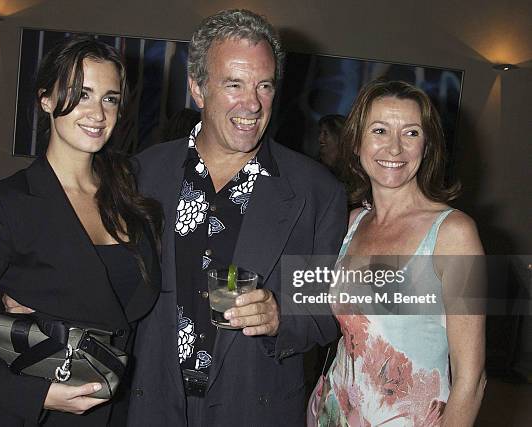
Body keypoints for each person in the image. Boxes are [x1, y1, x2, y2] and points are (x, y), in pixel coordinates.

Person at [0, 37, 162, 426]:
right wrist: (35, 396)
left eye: (110, 98)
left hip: (123, 413)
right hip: (40, 414)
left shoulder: (130, 192)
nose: (97, 113)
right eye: (81, 94)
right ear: (46, 99)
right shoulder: (6, 204)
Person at [128, 9, 347, 426]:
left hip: (255, 406)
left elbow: (325, 312)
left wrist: (282, 315)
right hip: (151, 403)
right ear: (197, 88)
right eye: (234, 84)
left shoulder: (317, 192)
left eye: (264, 86)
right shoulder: (143, 174)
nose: (252, 103)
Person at [316, 80, 486, 426]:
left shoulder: (454, 234)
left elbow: (472, 380)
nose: (394, 148)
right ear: (356, 144)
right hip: (333, 412)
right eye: (379, 130)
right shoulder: (352, 223)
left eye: (410, 133)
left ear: (427, 147)